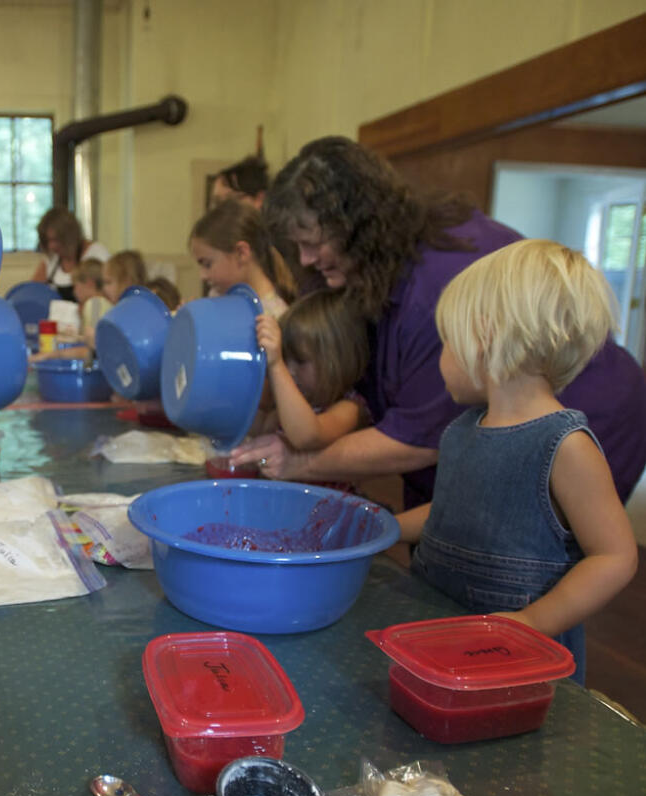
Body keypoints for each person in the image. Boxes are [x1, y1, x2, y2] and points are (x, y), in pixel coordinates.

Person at [232, 136, 646, 508]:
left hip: (596, 414)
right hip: (474, 447)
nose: (305, 260)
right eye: (298, 246)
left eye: (315, 243)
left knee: (531, 556)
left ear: (358, 225)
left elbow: (418, 440)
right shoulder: (370, 266)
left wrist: (302, 463)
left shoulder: (435, 291)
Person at [396, 241, 638, 683]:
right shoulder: (462, 430)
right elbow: (454, 512)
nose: (439, 360)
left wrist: (531, 622)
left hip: (520, 662)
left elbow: (614, 556)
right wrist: (386, 526)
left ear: (484, 336)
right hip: (442, 634)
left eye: (446, 342)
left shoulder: (564, 445)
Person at [255, 288, 368, 450]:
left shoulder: (350, 408)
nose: (290, 371)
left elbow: (308, 436)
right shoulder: (293, 404)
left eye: (300, 361)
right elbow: (259, 428)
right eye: (285, 359)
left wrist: (276, 365)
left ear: (336, 360)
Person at [189, 200, 295, 316]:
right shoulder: (218, 296)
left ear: (241, 253)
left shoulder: (276, 316)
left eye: (207, 264)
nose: (202, 276)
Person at [30, 207, 110, 301]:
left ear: (69, 236)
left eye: (56, 240)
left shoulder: (97, 254)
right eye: (47, 241)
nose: (51, 246)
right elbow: (32, 293)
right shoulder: (50, 260)